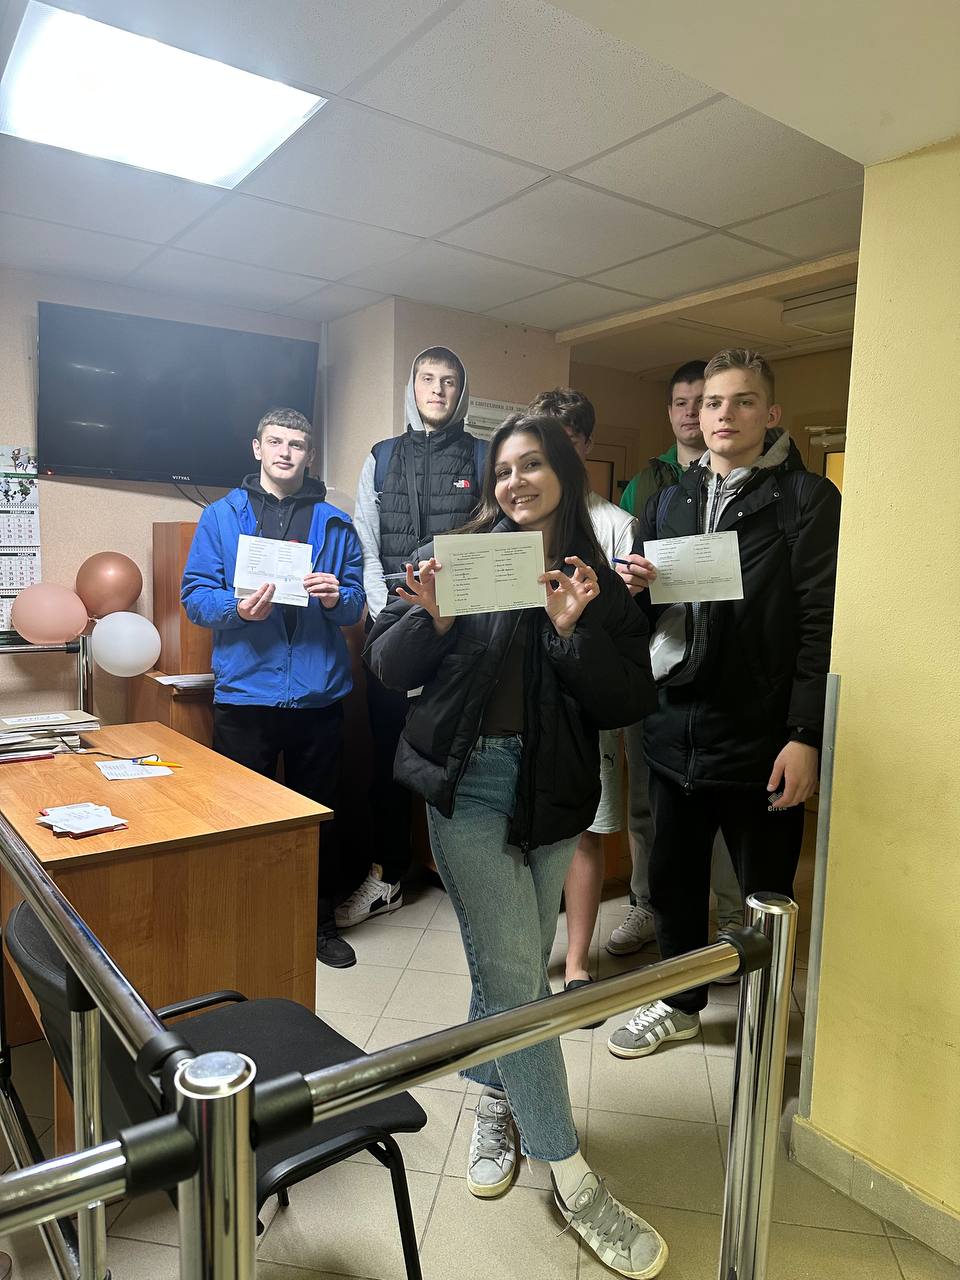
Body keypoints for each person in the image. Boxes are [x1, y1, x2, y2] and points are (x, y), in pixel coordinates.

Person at [364, 414, 668, 1277]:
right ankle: (572, 1177)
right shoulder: (456, 557)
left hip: (555, 794)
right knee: (513, 978)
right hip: (468, 789)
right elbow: (387, 665)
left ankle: (493, 1100)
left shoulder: (594, 580)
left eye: (533, 465)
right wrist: (430, 621)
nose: (515, 481)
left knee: (513, 966)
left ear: (565, 473)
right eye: (503, 470)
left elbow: (626, 702)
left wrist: (573, 635)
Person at [608, 350, 840, 1059]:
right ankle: (680, 1005)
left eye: (743, 401)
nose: (724, 415)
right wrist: (634, 594)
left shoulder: (805, 500)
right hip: (674, 724)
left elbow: (821, 623)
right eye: (713, 402)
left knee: (766, 892)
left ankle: (764, 1022)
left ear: (771, 413)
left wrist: (805, 734)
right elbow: (648, 617)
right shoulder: (670, 500)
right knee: (673, 883)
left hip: (762, 735)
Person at [181, 407, 365, 969]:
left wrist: (336, 599)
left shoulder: (335, 523)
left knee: (321, 818)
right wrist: (236, 610)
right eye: (276, 442)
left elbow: (357, 603)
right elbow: (195, 596)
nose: (286, 452)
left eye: (297, 444)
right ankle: (244, 922)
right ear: (257, 448)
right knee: (241, 820)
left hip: (317, 696)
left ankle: (318, 924)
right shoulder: (220, 516)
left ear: (310, 455)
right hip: (245, 695)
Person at [607, 360, 743, 959]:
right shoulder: (647, 487)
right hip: (659, 670)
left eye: (702, 401)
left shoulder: (756, 485)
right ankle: (646, 904)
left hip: (729, 677)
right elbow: (634, 584)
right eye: (683, 403)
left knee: (722, 807)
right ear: (670, 412)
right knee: (649, 804)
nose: (694, 413)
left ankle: (732, 921)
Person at [345, 346, 482, 929]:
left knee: (464, 756)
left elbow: (490, 536)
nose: (438, 390)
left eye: (449, 381)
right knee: (389, 760)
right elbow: (364, 538)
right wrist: (386, 616)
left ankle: (471, 877)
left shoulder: (481, 455)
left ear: (461, 391)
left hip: (460, 637)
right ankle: (389, 875)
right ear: (413, 386)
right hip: (395, 631)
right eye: (428, 379)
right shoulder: (381, 457)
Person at [526, 388, 636, 1005]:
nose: (554, 451)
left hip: (587, 698)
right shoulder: (518, 521)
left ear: (585, 444)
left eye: (566, 439)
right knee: (530, 834)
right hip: (528, 702)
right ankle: (529, 954)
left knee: (587, 832)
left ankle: (577, 964)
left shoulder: (614, 523)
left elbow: (625, 628)